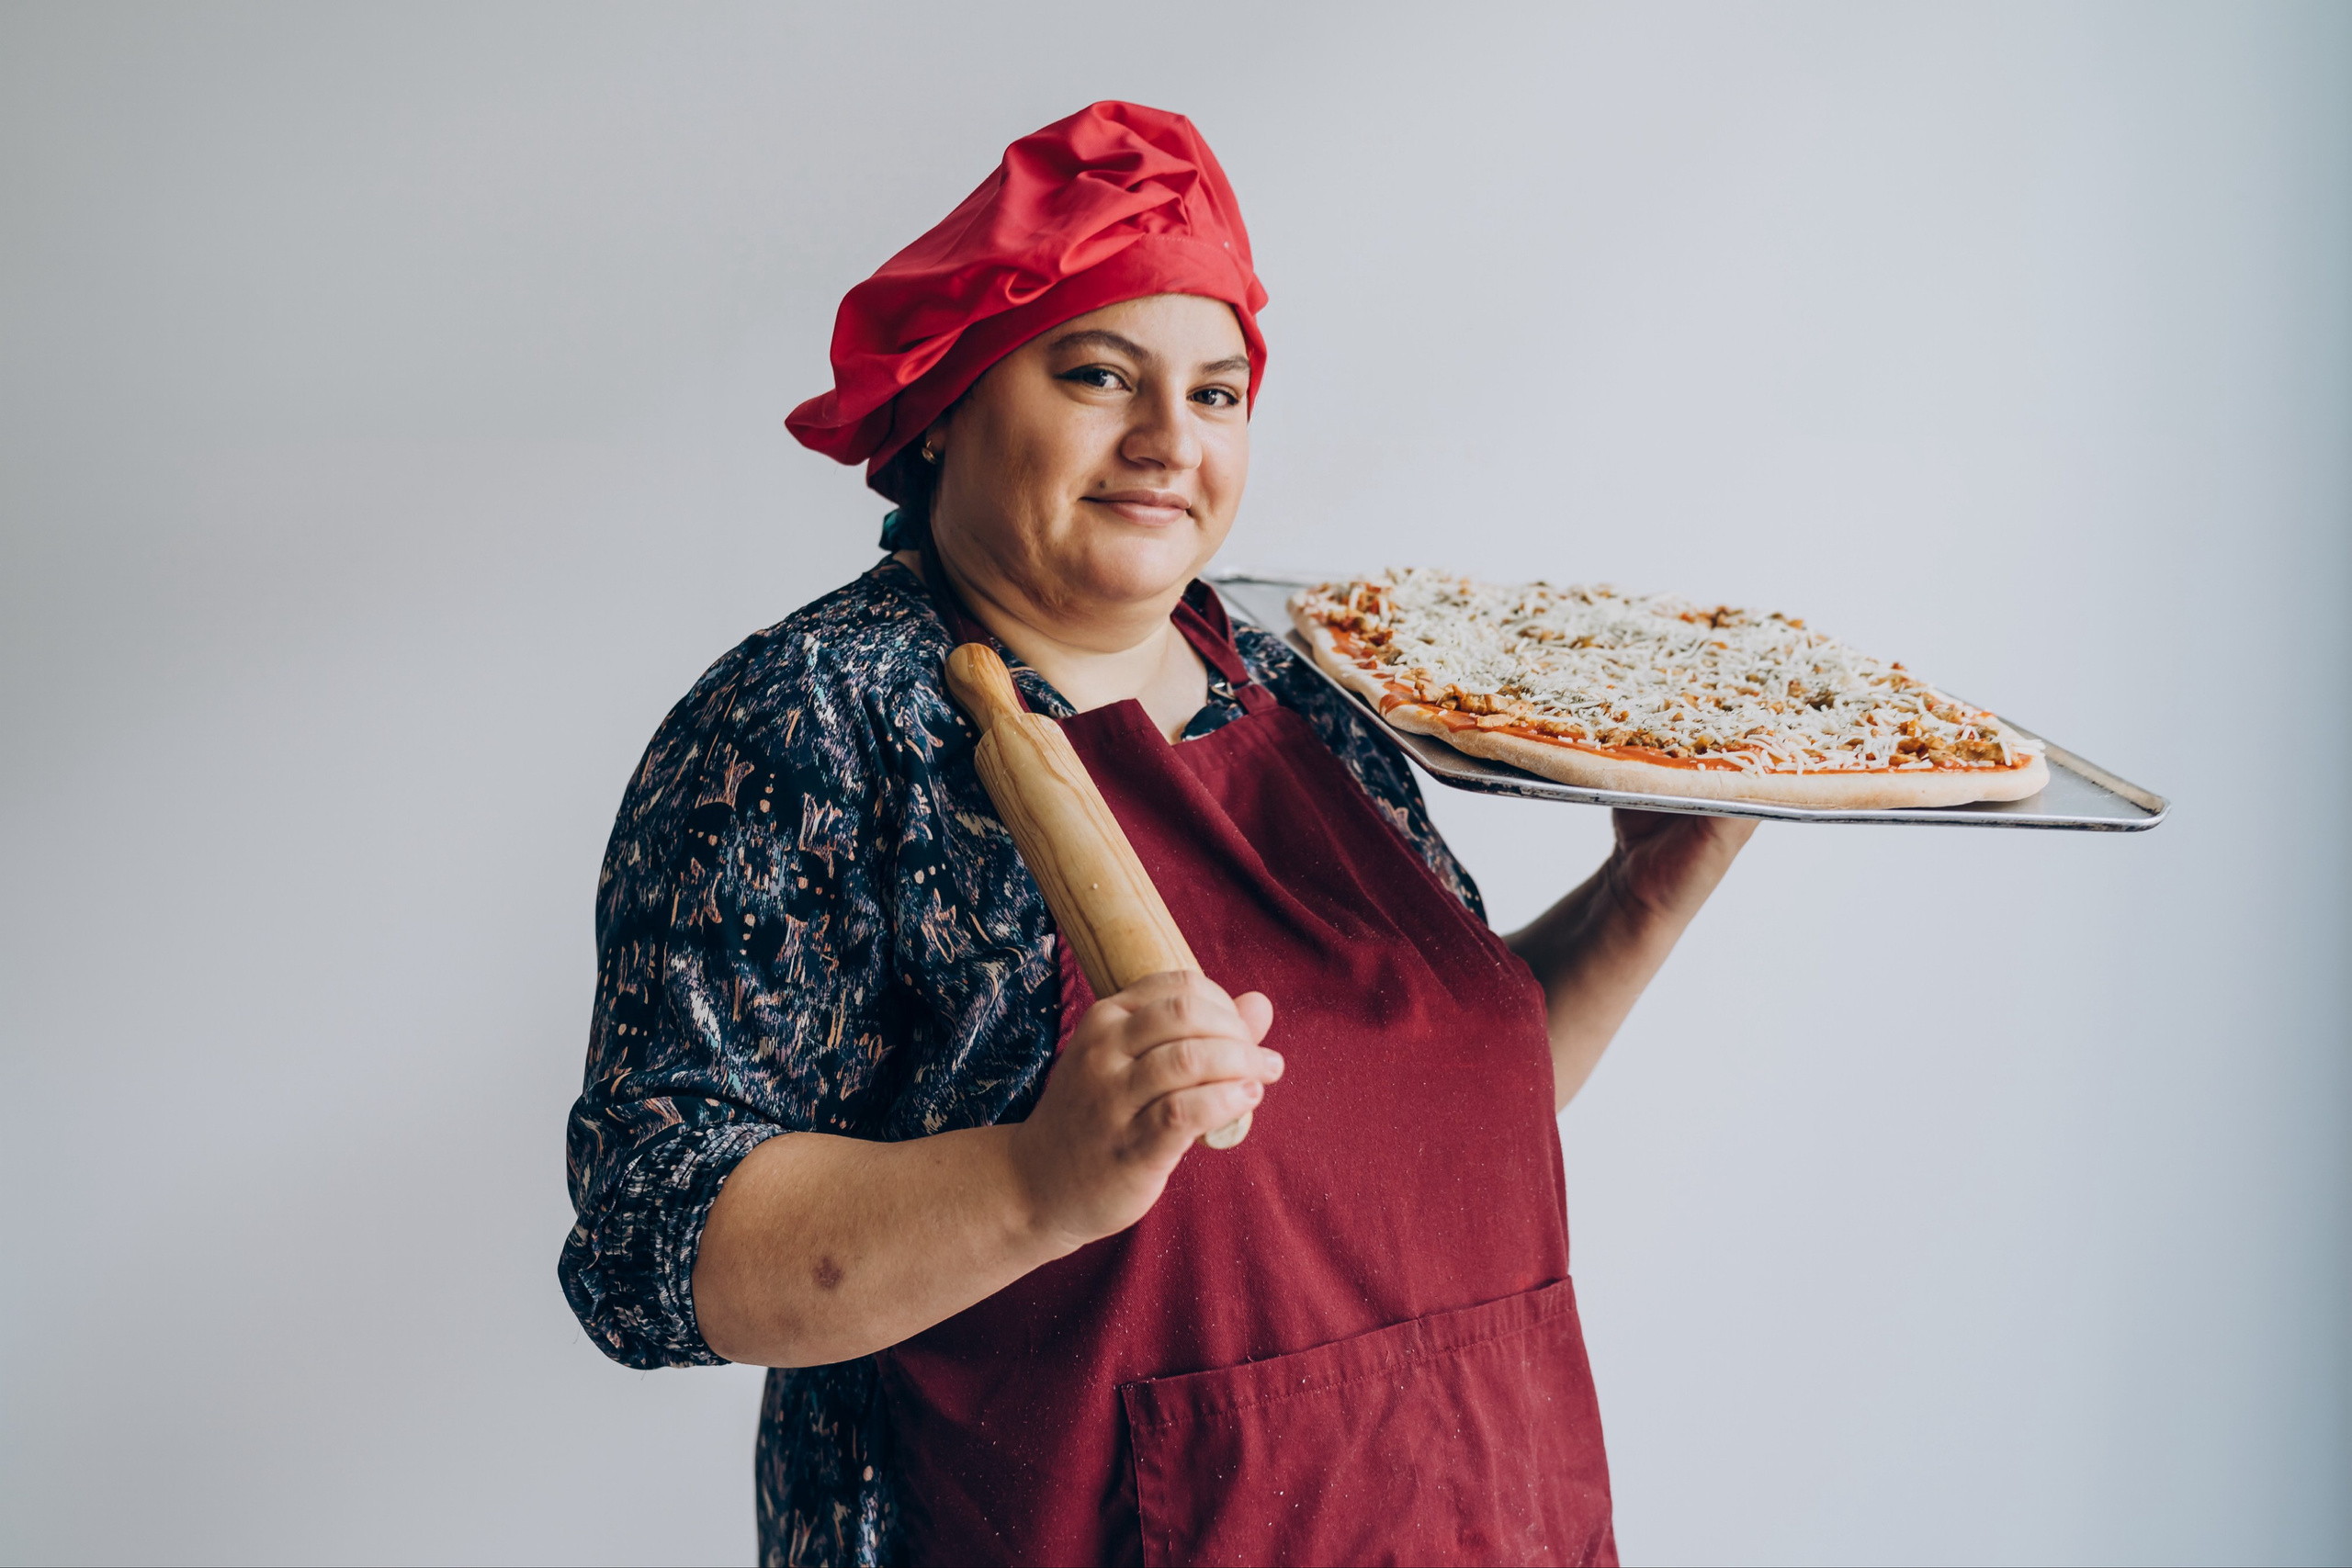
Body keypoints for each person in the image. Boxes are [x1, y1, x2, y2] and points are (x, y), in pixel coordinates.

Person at [560, 100, 1752, 1567]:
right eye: (1099, 374)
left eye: (1217, 393)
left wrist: (1643, 895)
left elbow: (1405, 1137)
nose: (1168, 442)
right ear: (946, 404)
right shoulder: (811, 721)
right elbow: (650, 1244)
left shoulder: (1314, 685)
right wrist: (1035, 1180)